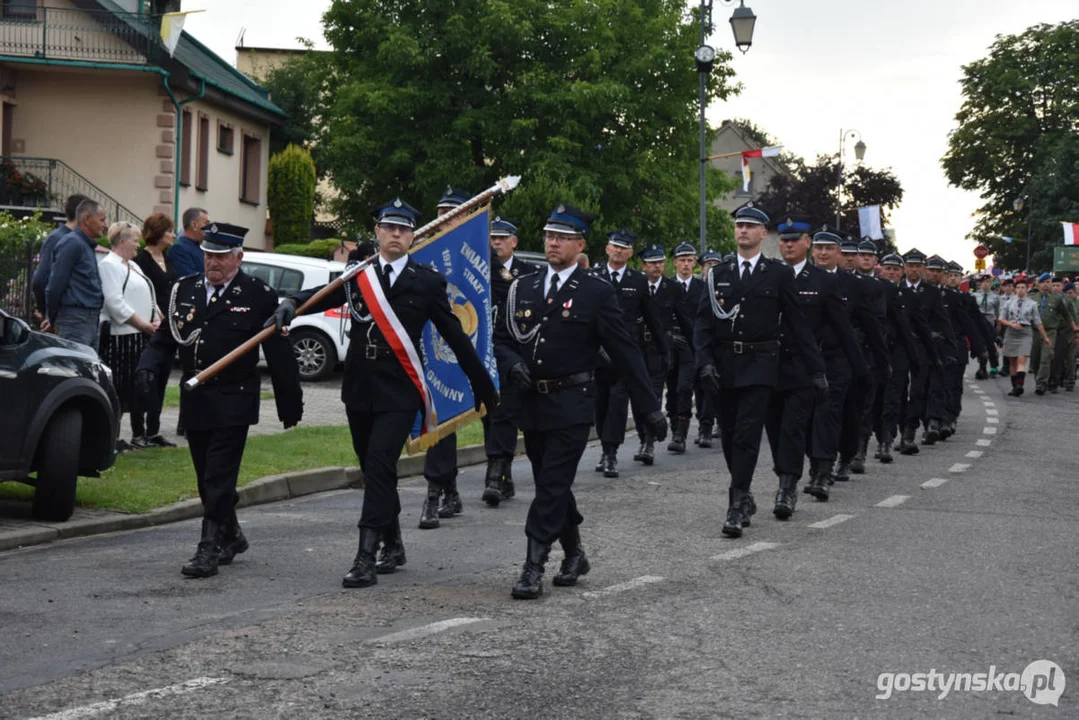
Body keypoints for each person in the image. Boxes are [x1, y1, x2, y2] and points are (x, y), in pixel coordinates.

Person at [274, 198, 497, 589]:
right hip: (359, 388)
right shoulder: (359, 275)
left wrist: (482, 383)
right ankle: (393, 542)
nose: (396, 234)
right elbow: (322, 295)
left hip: (400, 390)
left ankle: (366, 555)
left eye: (404, 229)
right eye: (389, 228)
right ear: (377, 232)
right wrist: (291, 304)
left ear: (413, 236)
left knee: (379, 464)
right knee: (373, 470)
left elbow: (455, 336)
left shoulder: (427, 281)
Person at [494, 203, 667, 599]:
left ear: (580, 244)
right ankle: (574, 552)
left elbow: (626, 352)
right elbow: (503, 338)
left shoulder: (596, 292)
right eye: (550, 236)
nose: (553, 243)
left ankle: (532, 566)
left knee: (551, 485)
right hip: (532, 403)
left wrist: (649, 408)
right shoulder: (524, 285)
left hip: (572, 403)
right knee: (550, 483)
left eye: (563, 238)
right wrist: (510, 364)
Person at [136, 222, 303, 578]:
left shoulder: (257, 294)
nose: (213, 262)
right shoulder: (184, 289)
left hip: (235, 397)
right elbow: (167, 337)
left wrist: (290, 399)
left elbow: (277, 348)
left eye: (221, 256)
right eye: (209, 254)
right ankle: (231, 534)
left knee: (218, 476)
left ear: (238, 258)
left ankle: (208, 548)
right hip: (196, 398)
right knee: (206, 476)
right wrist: (148, 367)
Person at [695, 204, 824, 537]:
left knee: (747, 434)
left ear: (763, 234)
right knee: (729, 434)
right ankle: (745, 492)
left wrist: (815, 369)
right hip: (724, 366)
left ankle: (736, 504)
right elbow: (703, 325)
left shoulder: (777, 274)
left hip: (761, 366)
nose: (743, 231)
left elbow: (797, 324)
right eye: (739, 225)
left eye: (750, 227)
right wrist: (705, 362)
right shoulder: (717, 274)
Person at [766, 217, 860, 514]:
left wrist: (862, 371)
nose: (789, 245)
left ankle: (790, 485)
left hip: (808, 366)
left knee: (800, 426)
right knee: (776, 428)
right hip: (767, 366)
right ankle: (789, 471)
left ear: (805, 243)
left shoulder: (825, 281)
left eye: (796, 240)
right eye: (784, 240)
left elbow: (844, 328)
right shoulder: (768, 275)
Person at [417, 187, 474, 528]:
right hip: (428, 349)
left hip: (468, 348)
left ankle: (490, 474)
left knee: (466, 416)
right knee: (439, 419)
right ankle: (437, 491)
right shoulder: (420, 253)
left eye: (454, 213)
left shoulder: (477, 252)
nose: (447, 219)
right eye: (442, 213)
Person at [592, 228, 667, 477]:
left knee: (618, 401)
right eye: (615, 246)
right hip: (596, 353)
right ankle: (604, 445)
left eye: (624, 248)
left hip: (625, 353)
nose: (618, 251)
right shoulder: (593, 276)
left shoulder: (637, 280)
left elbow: (653, 318)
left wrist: (664, 351)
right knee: (600, 403)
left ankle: (610, 453)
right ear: (607, 249)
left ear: (631, 253)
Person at [802, 230, 867, 499]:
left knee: (831, 416)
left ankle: (823, 470)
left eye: (829, 248)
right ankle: (816, 463)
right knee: (805, 419)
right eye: (819, 248)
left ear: (839, 252)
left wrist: (866, 367)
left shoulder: (852, 285)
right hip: (805, 360)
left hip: (838, 359)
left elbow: (867, 325)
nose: (823, 253)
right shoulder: (798, 278)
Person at [483, 215, 541, 506]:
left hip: (513, 354)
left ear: (514, 242)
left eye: (502, 238)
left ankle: (496, 473)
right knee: (488, 413)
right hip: (483, 350)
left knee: (504, 412)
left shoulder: (528, 273)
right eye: (492, 238)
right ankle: (501, 472)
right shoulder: (480, 270)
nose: (496, 243)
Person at [100, 222, 161, 451]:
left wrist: (157, 317)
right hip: (121, 336)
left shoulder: (133, 265)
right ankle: (112, 438)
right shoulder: (109, 265)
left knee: (139, 387)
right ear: (122, 241)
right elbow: (114, 302)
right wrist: (143, 324)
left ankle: (139, 434)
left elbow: (149, 294)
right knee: (119, 388)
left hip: (140, 335)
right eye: (135, 240)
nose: (139, 244)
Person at [635, 244, 693, 462]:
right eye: (652, 263)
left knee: (654, 395)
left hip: (660, 350)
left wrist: (697, 349)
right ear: (644, 266)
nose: (656, 267)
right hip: (637, 348)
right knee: (639, 396)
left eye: (659, 262)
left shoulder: (672, 288)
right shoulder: (636, 285)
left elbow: (685, 320)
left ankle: (648, 444)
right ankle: (643, 437)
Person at [899, 249, 956, 451]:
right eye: (910, 266)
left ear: (922, 268)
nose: (913, 270)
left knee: (918, 390)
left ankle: (909, 432)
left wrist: (950, 348)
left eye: (917, 266)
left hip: (923, 347)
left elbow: (943, 321)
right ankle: (893, 432)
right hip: (898, 347)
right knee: (896, 391)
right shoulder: (895, 289)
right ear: (904, 268)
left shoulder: (932, 292)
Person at [132, 212, 178, 448]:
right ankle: (138, 431)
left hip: (169, 328)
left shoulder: (169, 259)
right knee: (145, 380)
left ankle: (154, 430)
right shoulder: (141, 261)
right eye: (169, 231)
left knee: (161, 378)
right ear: (158, 233)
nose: (173, 235)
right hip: (150, 327)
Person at [44, 199, 108, 350]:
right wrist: (52, 318)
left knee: (87, 369)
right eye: (102, 220)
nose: (105, 225)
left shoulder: (84, 244)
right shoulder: (72, 243)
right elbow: (55, 285)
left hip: (88, 320)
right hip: (75, 321)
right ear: (87, 219)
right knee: (76, 369)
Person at [32, 193, 90, 326]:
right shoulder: (57, 238)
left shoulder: (79, 239)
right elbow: (40, 280)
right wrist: (47, 313)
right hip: (62, 319)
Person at [999, 275, 1051, 396]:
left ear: (1027, 289)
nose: (1020, 289)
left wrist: (1045, 337)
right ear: (1015, 289)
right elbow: (1001, 318)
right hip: (1011, 332)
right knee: (1012, 361)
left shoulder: (1032, 304)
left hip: (1025, 332)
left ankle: (1019, 385)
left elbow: (1038, 322)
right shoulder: (1009, 302)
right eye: (1018, 287)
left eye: (1023, 287)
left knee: (1022, 359)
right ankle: (1014, 387)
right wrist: (1011, 324)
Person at [693, 249, 721, 446]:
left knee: (711, 387)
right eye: (708, 265)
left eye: (715, 265)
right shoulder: (696, 288)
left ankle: (706, 427)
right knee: (698, 388)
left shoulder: (722, 288)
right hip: (694, 345)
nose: (711, 268)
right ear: (702, 268)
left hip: (715, 345)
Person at [167, 207, 211, 280]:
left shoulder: (202, 247)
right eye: (206, 223)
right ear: (194, 225)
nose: (209, 228)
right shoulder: (178, 249)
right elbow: (190, 279)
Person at [971, 274, 1001, 378]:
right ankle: (982, 367)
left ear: (991, 283)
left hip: (990, 321)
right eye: (984, 282)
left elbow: (998, 312)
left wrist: (998, 324)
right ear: (980, 283)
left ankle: (993, 365)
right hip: (978, 321)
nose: (986, 284)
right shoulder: (975, 295)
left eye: (988, 282)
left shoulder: (995, 297)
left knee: (990, 345)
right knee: (981, 344)